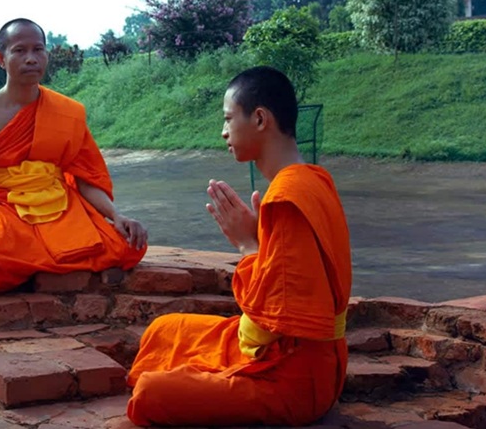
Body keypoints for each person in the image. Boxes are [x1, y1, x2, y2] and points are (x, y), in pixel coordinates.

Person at [125, 66, 352, 427]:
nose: (224, 131)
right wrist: (257, 240)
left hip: (295, 378)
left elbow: (274, 316)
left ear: (260, 119)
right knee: (163, 330)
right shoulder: (312, 180)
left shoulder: (290, 196)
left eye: (229, 119)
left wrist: (247, 245)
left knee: (152, 393)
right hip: (278, 350)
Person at [0, 18, 148, 293]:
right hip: (5, 205)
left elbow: (84, 181)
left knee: (127, 247)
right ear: (1, 58)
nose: (31, 59)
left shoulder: (67, 112)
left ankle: (33, 264)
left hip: (58, 203)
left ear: (47, 55)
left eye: (38, 50)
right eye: (20, 51)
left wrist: (117, 216)